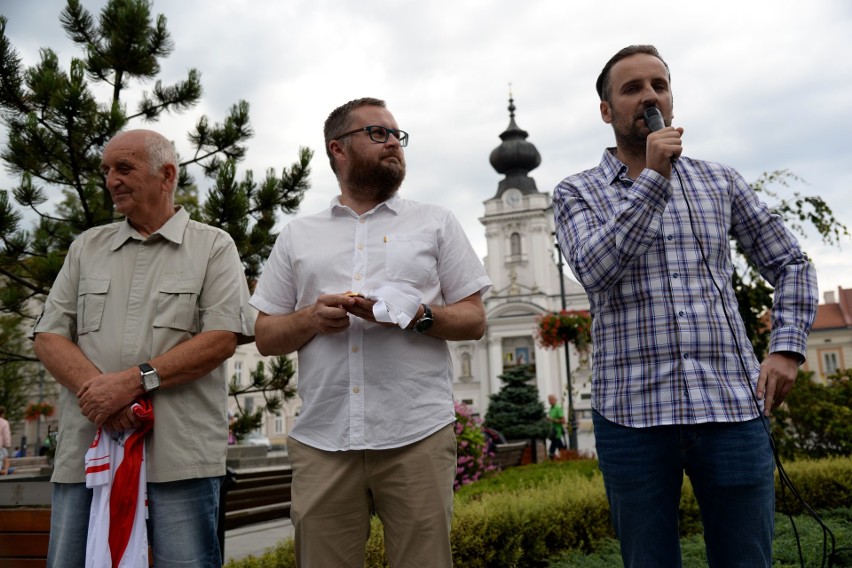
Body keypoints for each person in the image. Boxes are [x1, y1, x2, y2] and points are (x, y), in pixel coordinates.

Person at [553, 45, 818, 567]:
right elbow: (595, 270)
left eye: (659, 85)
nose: (649, 96)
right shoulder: (576, 192)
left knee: (747, 560)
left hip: (732, 407)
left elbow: (792, 263)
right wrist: (653, 179)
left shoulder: (720, 181)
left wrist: (786, 350)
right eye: (632, 89)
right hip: (631, 414)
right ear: (607, 110)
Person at [252, 97, 491, 567]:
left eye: (398, 136)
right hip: (324, 440)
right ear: (337, 149)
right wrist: (311, 319)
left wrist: (414, 314)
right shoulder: (298, 235)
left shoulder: (435, 221)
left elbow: (475, 319)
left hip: (416, 435)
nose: (394, 145)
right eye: (378, 134)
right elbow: (265, 335)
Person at [31, 129, 254, 568]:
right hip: (87, 455)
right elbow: (48, 336)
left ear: (166, 175)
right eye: (107, 170)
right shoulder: (86, 247)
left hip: (179, 459)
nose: (112, 179)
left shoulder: (212, 246)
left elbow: (222, 338)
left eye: (124, 168)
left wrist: (132, 382)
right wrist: (102, 397)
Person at [545, 394, 566, 459]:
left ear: (555, 400)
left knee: (552, 449)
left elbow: (563, 421)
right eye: (549, 400)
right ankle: (566, 457)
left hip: (557, 431)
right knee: (561, 447)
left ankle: (551, 460)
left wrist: (552, 419)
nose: (549, 402)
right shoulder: (551, 408)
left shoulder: (558, 408)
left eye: (551, 400)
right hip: (552, 432)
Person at [0, 407, 10, 475]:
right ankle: (5, 471)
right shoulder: (4, 422)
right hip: (1, 445)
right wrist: (7, 444)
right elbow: (6, 435)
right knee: (5, 458)